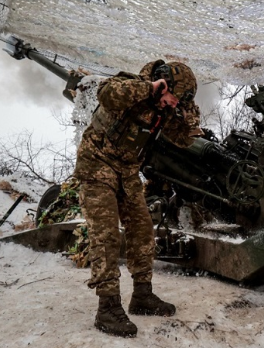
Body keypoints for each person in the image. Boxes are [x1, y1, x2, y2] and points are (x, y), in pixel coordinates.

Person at [73, 60, 202, 337]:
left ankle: (142, 296)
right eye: (171, 96)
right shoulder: (130, 84)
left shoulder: (164, 109)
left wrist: (188, 115)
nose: (171, 103)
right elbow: (106, 93)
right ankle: (107, 307)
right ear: (163, 82)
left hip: (127, 172)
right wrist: (148, 89)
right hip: (97, 165)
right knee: (106, 234)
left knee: (143, 231)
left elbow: (184, 140)